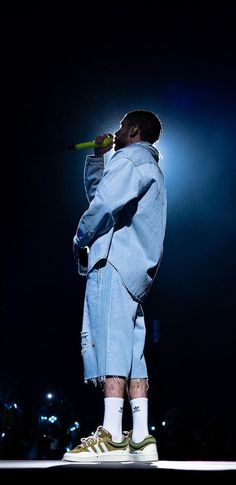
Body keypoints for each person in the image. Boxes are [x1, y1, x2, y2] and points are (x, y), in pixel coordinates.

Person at [63, 109, 167, 462]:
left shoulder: (129, 159)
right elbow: (104, 196)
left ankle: (110, 434)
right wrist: (97, 159)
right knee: (132, 350)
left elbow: (103, 205)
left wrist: (79, 239)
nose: (117, 131)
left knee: (109, 343)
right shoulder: (149, 166)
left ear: (134, 130)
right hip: (138, 268)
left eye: (123, 126)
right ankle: (140, 436)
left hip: (114, 260)